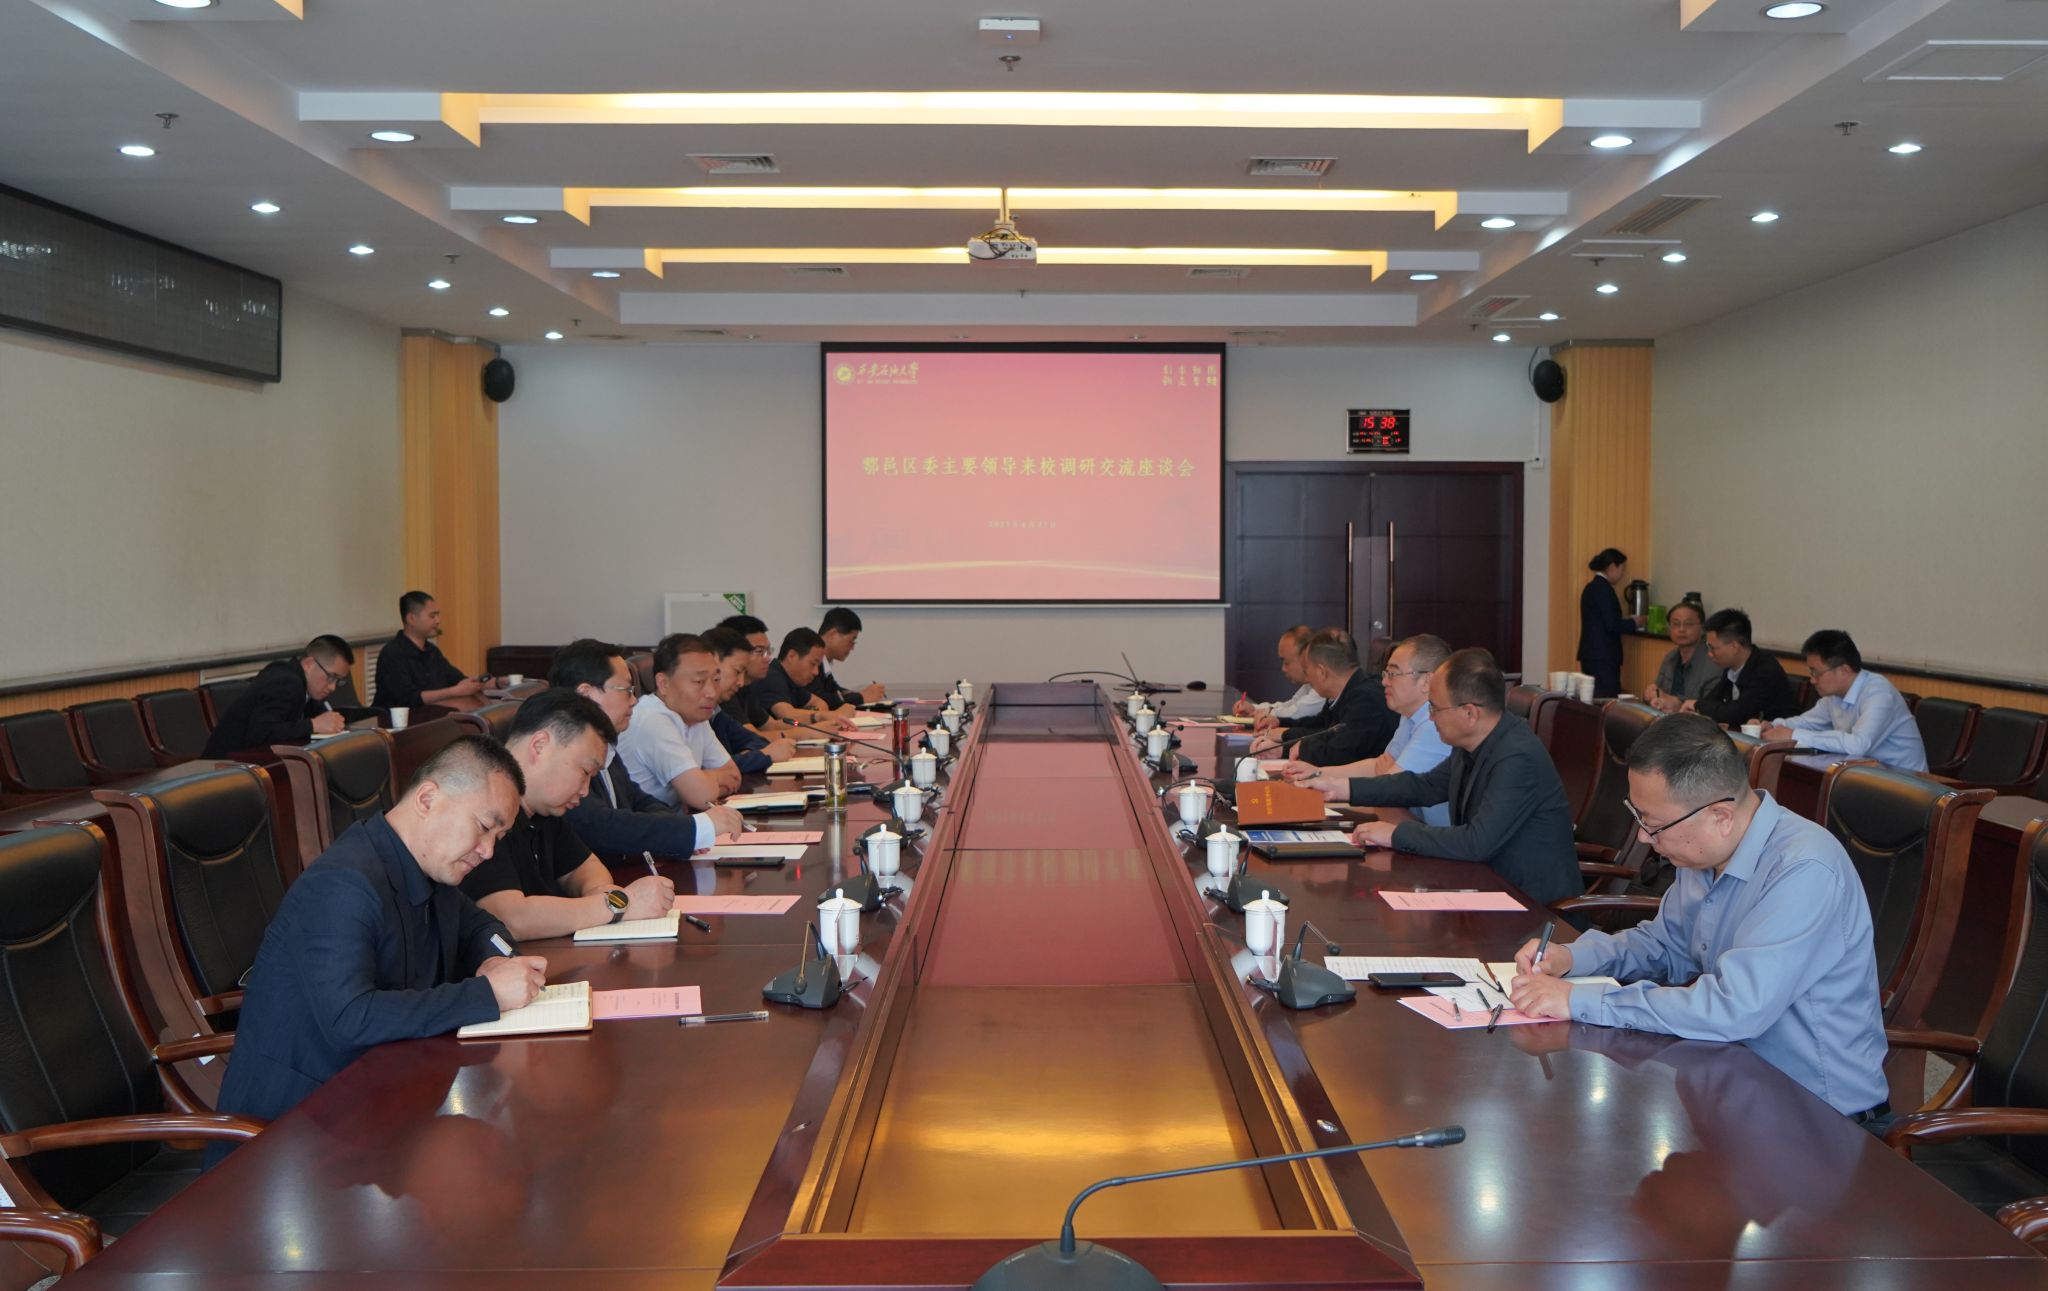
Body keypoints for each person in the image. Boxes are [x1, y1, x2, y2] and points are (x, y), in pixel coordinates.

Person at [1507, 713, 1889, 1123]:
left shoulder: (1804, 869)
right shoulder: (1705, 850)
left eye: (1653, 824)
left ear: (1720, 816)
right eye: (1638, 817)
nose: (1643, 837)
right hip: (1728, 1083)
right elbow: (1665, 945)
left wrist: (1578, 1000)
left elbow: (1734, 1007)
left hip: (1818, 1117)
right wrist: (1573, 958)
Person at [210, 736, 546, 1144]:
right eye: (484, 827)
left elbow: (484, 928)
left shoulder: (430, 866)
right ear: (427, 799)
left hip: (383, 1101)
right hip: (295, 1132)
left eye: (499, 837)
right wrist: (487, 994)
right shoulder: (344, 883)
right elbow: (350, 1018)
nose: (488, 851)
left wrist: (498, 960)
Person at [1306, 648, 1582, 907]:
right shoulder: (1472, 742)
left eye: (1435, 708)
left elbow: (1476, 843)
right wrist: (1341, 788)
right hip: (1484, 887)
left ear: (1470, 713)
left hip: (1532, 908)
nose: (1430, 717)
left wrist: (1396, 833)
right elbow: (1423, 786)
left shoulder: (1517, 758)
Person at [459, 690, 674, 940]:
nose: (585, 791)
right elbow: (511, 919)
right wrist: (618, 905)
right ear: (539, 746)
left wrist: (599, 892)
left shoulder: (544, 809)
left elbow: (584, 868)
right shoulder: (484, 809)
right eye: (585, 772)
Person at [548, 638, 742, 860]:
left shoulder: (606, 744)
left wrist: (680, 834)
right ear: (586, 694)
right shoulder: (561, 753)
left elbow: (641, 801)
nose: (633, 701)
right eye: (626, 690)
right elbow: (601, 826)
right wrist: (692, 829)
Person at [1282, 634, 1453, 827]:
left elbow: (1387, 792)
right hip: (1408, 824)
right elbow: (1378, 767)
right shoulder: (1410, 715)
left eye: (1393, 674)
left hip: (1434, 836)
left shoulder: (1432, 725)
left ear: (1427, 682)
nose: (1384, 682)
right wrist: (1318, 773)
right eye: (1385, 673)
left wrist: (1330, 788)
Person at [1763, 630, 1928, 772]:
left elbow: (1858, 745)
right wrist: (1772, 726)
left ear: (1844, 670)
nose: (1812, 680)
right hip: (1866, 774)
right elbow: (1807, 722)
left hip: (1907, 783)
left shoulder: (1879, 694)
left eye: (1816, 672)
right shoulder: (1834, 696)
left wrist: (1794, 735)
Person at [617, 633, 743, 810]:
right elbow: (701, 796)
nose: (712, 693)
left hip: (676, 819)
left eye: (716, 680)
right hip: (646, 823)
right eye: (699, 681)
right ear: (663, 683)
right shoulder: (652, 720)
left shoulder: (695, 716)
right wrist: (707, 782)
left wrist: (702, 782)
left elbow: (733, 775)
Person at [1248, 628, 1397, 766]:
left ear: (1321, 672)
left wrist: (1287, 747)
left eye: (1307, 670)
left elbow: (1339, 753)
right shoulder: (1346, 692)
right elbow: (1319, 728)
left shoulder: (1366, 701)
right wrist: (1281, 725)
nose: (1307, 678)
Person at [202, 635, 354, 756]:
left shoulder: (304, 684)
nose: (333, 687)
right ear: (309, 664)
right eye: (331, 677)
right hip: (225, 769)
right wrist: (313, 725)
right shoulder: (285, 682)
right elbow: (261, 733)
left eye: (338, 681)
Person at [372, 591, 495, 710]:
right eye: (432, 616)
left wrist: (485, 683)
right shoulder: (392, 653)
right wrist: (454, 691)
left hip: (433, 716)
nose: (438, 620)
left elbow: (455, 679)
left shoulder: (431, 650)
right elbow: (409, 699)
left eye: (438, 615)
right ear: (411, 619)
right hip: (397, 721)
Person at [1686, 608, 1801, 729]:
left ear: (1734, 647)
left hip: (1779, 735)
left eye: (1712, 648)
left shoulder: (1765, 670)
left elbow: (1736, 714)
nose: (1709, 654)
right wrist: (1700, 706)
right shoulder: (1732, 666)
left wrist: (1697, 704)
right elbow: (1711, 700)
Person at [704, 627, 798, 773]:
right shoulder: (689, 715)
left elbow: (757, 740)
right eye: (737, 672)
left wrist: (750, 755)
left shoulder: (716, 712)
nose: (741, 682)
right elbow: (714, 768)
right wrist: (762, 755)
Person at [1576, 547, 1643, 699]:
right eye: (1622, 569)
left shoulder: (1592, 587)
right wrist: (1634, 622)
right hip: (1603, 656)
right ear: (1613, 566)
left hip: (1592, 653)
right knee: (1606, 698)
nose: (1622, 574)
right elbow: (1612, 624)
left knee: (1592, 697)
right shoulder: (1604, 589)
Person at [750, 627, 845, 726]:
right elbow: (787, 716)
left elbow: (821, 704)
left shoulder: (792, 679)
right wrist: (817, 716)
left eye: (818, 666)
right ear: (792, 656)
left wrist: (811, 714)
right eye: (813, 664)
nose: (816, 672)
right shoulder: (771, 677)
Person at [1234, 626, 1324, 722]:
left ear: (1305, 658)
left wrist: (1265, 713)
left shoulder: (1322, 688)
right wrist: (1254, 709)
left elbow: (1296, 712)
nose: (1283, 669)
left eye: (1286, 662)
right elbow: (1290, 705)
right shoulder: (1309, 685)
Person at [1644, 601, 1715, 713]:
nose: (1681, 629)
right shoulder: (1670, 657)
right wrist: (1651, 695)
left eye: (1688, 624)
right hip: (1666, 719)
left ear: (1702, 629)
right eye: (1676, 624)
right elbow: (1658, 692)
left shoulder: (1714, 660)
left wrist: (1679, 704)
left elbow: (1712, 706)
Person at [814, 606, 888, 707]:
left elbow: (835, 691)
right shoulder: (811, 662)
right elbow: (819, 700)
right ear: (833, 635)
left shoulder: (824, 663)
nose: (852, 648)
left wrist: (859, 694)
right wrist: (861, 697)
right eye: (851, 641)